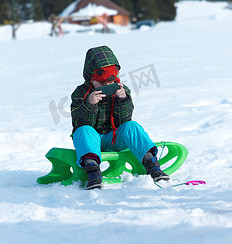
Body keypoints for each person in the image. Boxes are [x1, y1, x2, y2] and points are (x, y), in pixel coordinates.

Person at [71, 45, 169, 190]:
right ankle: (93, 172)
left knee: (132, 126)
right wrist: (90, 104)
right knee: (83, 130)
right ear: (90, 78)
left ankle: (151, 164)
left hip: (114, 137)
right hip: (91, 139)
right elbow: (79, 123)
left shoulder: (122, 90)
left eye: (110, 82)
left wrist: (122, 100)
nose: (107, 85)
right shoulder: (80, 93)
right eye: (102, 83)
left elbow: (123, 122)